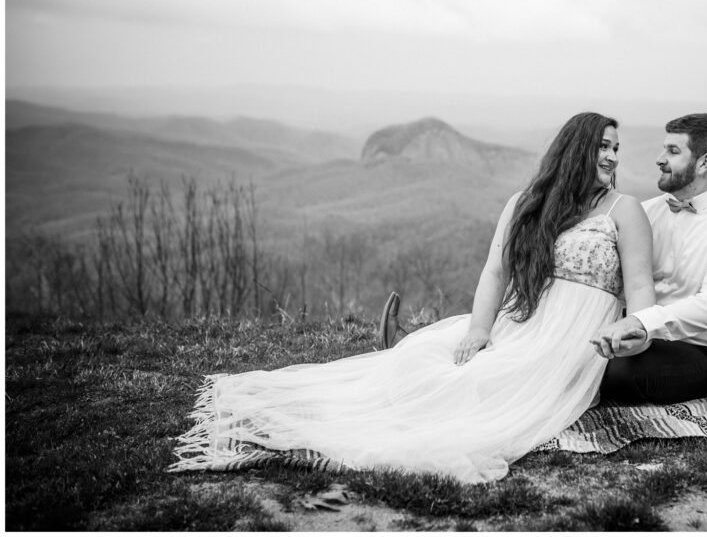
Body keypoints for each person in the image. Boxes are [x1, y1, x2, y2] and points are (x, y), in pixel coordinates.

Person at [169, 112, 655, 484]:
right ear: (575, 152)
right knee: (422, 358)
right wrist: (480, 330)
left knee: (483, 388)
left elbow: (641, 298)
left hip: (573, 339)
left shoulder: (624, 210)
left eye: (616, 147)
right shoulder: (527, 205)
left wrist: (631, 335)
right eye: (602, 147)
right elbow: (495, 271)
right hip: (521, 321)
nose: (612, 156)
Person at [590, 113, 707, 405]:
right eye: (663, 149)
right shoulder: (645, 213)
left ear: (704, 163)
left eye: (672, 151)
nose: (660, 159)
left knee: (619, 374)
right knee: (578, 356)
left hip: (704, 352)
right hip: (639, 337)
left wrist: (641, 322)